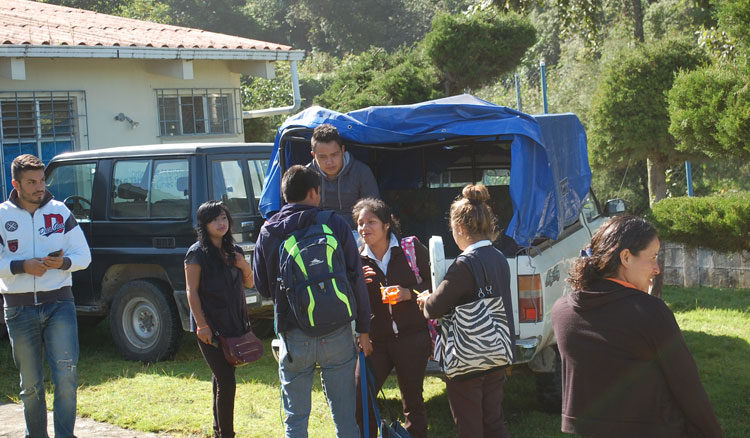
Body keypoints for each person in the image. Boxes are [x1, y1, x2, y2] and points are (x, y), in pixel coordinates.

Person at [550, 214, 722, 437]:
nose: (657, 268)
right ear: (626, 258)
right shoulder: (649, 312)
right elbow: (688, 388)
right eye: (653, 257)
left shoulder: (562, 311)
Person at [253, 164, 372, 438]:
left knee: (296, 421)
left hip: (294, 334)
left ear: (284, 195)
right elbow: (356, 279)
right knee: (345, 420)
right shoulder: (334, 223)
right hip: (338, 332)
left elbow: (262, 287)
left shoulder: (270, 231)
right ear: (314, 193)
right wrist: (363, 328)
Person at [0, 154, 92, 438]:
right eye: (31, 182)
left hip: (59, 303)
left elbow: (84, 256)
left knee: (66, 377)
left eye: (42, 180)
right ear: (16, 183)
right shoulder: (1, 215)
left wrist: (63, 263)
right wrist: (21, 266)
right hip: (18, 308)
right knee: (31, 385)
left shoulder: (61, 212)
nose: (40, 187)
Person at [417, 184, 514, 438]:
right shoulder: (500, 258)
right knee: (493, 421)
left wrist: (425, 300)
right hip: (496, 353)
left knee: (470, 426)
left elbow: (435, 308)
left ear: (460, 228)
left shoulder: (464, 265)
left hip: (467, 359)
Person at [352, 198, 432, 438]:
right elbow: (352, 303)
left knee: (413, 403)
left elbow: (436, 285)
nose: (364, 228)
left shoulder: (411, 250)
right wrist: (357, 284)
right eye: (360, 223)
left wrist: (408, 293)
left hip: (412, 337)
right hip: (376, 341)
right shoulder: (356, 260)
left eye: (371, 222)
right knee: (359, 397)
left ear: (386, 224)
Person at [184, 201, 254, 438]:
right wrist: (202, 325)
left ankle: (218, 431)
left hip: (233, 324)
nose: (221, 223)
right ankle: (227, 434)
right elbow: (191, 291)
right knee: (227, 381)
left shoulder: (235, 251)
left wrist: (242, 264)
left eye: (224, 218)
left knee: (222, 377)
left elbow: (249, 283)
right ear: (204, 224)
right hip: (210, 327)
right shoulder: (196, 254)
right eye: (215, 219)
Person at [307, 123, 379, 229]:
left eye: (334, 154)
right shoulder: (305, 176)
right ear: (313, 155)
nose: (329, 162)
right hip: (318, 232)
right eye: (322, 157)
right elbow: (302, 214)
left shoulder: (361, 171)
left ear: (343, 150)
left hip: (356, 231)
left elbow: (373, 211)